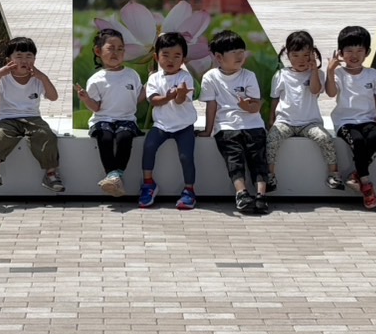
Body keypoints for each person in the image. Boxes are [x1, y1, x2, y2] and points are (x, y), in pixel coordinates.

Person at [0, 36, 65, 193]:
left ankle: (51, 174)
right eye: (19, 56)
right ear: (9, 60)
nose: (24, 60)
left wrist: (44, 77)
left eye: (29, 56)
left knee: (47, 135)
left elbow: (53, 97)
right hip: (7, 118)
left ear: (34, 59)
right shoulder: (4, 78)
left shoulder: (38, 78)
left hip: (33, 118)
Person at [200, 28, 270, 215]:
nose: (240, 56)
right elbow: (211, 106)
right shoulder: (210, 77)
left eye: (242, 51)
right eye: (234, 52)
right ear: (219, 57)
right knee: (234, 158)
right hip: (226, 127)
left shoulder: (249, 75)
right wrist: (208, 130)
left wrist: (247, 107)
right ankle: (242, 193)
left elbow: (256, 106)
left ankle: (261, 196)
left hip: (253, 124)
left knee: (258, 159)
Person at [265, 30, 340, 193]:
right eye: (295, 55)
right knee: (272, 140)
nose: (301, 60)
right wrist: (271, 120)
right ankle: (270, 175)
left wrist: (314, 70)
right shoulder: (281, 74)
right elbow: (274, 99)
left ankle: (333, 174)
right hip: (285, 121)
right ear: (287, 55)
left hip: (310, 122)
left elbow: (315, 90)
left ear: (313, 54)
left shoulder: (317, 74)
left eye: (306, 55)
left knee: (325, 138)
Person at [75, 27, 144, 198]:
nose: (116, 53)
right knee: (105, 138)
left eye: (120, 49)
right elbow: (96, 108)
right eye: (111, 48)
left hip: (126, 119)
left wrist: (151, 84)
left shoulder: (132, 74)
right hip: (102, 119)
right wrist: (86, 99)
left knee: (124, 138)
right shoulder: (96, 79)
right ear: (98, 51)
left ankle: (115, 176)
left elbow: (137, 98)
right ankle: (113, 176)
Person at [327, 25, 376, 210]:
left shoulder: (373, 74)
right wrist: (330, 71)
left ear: (367, 52)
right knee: (358, 141)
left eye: (359, 50)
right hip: (345, 121)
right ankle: (366, 183)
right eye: (349, 51)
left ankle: (356, 175)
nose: (354, 55)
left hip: (368, 119)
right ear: (340, 53)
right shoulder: (338, 73)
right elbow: (330, 93)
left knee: (375, 139)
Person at [139, 31, 197, 210]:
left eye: (177, 56)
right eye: (165, 55)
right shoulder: (153, 78)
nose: (171, 60)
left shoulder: (185, 77)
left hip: (184, 125)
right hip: (161, 125)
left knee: (186, 157)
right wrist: (169, 97)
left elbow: (180, 101)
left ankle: (189, 190)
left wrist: (179, 95)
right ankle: (148, 184)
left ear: (183, 59)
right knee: (149, 147)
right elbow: (154, 101)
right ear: (156, 57)